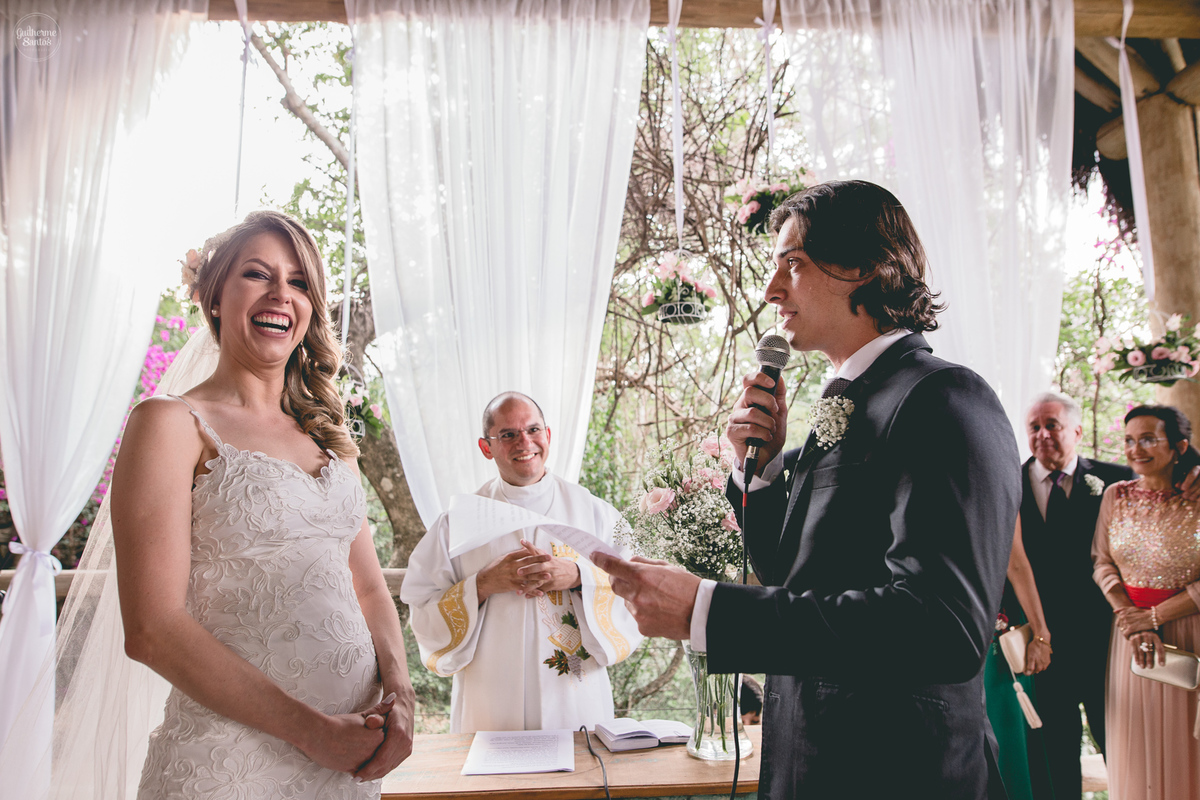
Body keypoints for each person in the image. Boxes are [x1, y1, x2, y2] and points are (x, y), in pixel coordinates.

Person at [595, 180, 1020, 798]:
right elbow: (799, 578)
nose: (772, 290)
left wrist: (706, 610)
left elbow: (943, 629)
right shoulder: (847, 403)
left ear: (866, 266)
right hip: (811, 762)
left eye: (792, 264)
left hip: (898, 775)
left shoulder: (944, 398)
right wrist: (761, 473)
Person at [110, 210, 416, 799]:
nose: (281, 294)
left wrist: (400, 694)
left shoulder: (330, 439)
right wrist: (313, 733)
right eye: (257, 274)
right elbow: (152, 629)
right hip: (228, 765)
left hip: (347, 765)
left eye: (299, 282)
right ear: (214, 296)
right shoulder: (170, 424)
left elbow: (369, 587)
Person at [401, 392, 643, 733]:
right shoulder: (457, 523)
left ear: (548, 435)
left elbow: (636, 589)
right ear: (487, 447)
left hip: (573, 696)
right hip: (490, 698)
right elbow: (422, 606)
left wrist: (578, 577)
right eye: (508, 434)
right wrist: (482, 584)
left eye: (533, 430)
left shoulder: (595, 514)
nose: (524, 442)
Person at [1017, 391, 1132, 799]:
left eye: (1052, 425)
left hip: (1105, 639)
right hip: (1042, 643)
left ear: (1078, 431)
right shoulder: (1009, 485)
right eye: (1034, 427)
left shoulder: (1117, 479)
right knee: (1054, 750)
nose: (1042, 434)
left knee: (1120, 742)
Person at [1092, 404, 1200, 800]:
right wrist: (1131, 618)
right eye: (1129, 440)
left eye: (1148, 439)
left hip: (1189, 635)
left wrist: (1153, 617)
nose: (1135, 449)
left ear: (1179, 447)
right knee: (1137, 740)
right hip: (1130, 639)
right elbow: (1102, 563)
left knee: (1186, 744)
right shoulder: (1115, 495)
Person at [984, 518, 1055, 800]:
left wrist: (1041, 634)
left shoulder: (997, 491)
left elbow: (1016, 564)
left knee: (1005, 739)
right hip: (933, 631)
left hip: (994, 638)